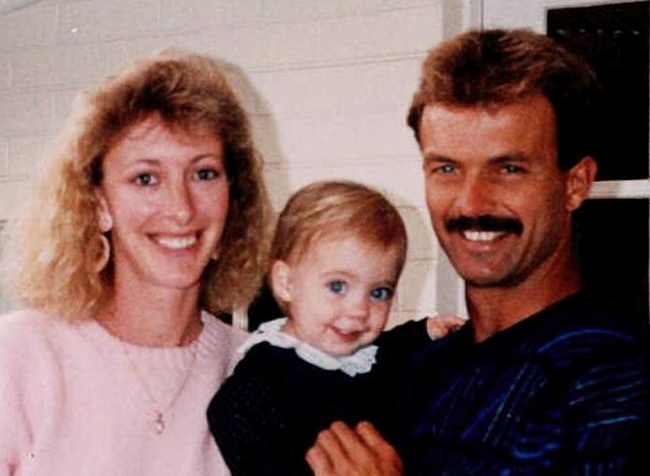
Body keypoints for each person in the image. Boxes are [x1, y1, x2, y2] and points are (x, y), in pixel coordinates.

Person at [307, 28, 650, 475]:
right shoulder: (416, 368)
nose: (471, 203)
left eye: (508, 169)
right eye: (447, 168)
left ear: (575, 183)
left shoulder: (614, 379)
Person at [0, 49, 270, 475]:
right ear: (99, 203)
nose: (180, 209)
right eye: (146, 178)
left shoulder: (256, 369)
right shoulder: (22, 356)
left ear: (233, 198)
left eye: (203, 173)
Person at [207, 180, 464, 475]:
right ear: (286, 283)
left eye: (379, 292)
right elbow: (229, 417)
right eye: (337, 286)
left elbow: (390, 350)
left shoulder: (361, 353)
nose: (358, 310)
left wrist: (425, 331)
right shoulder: (262, 380)